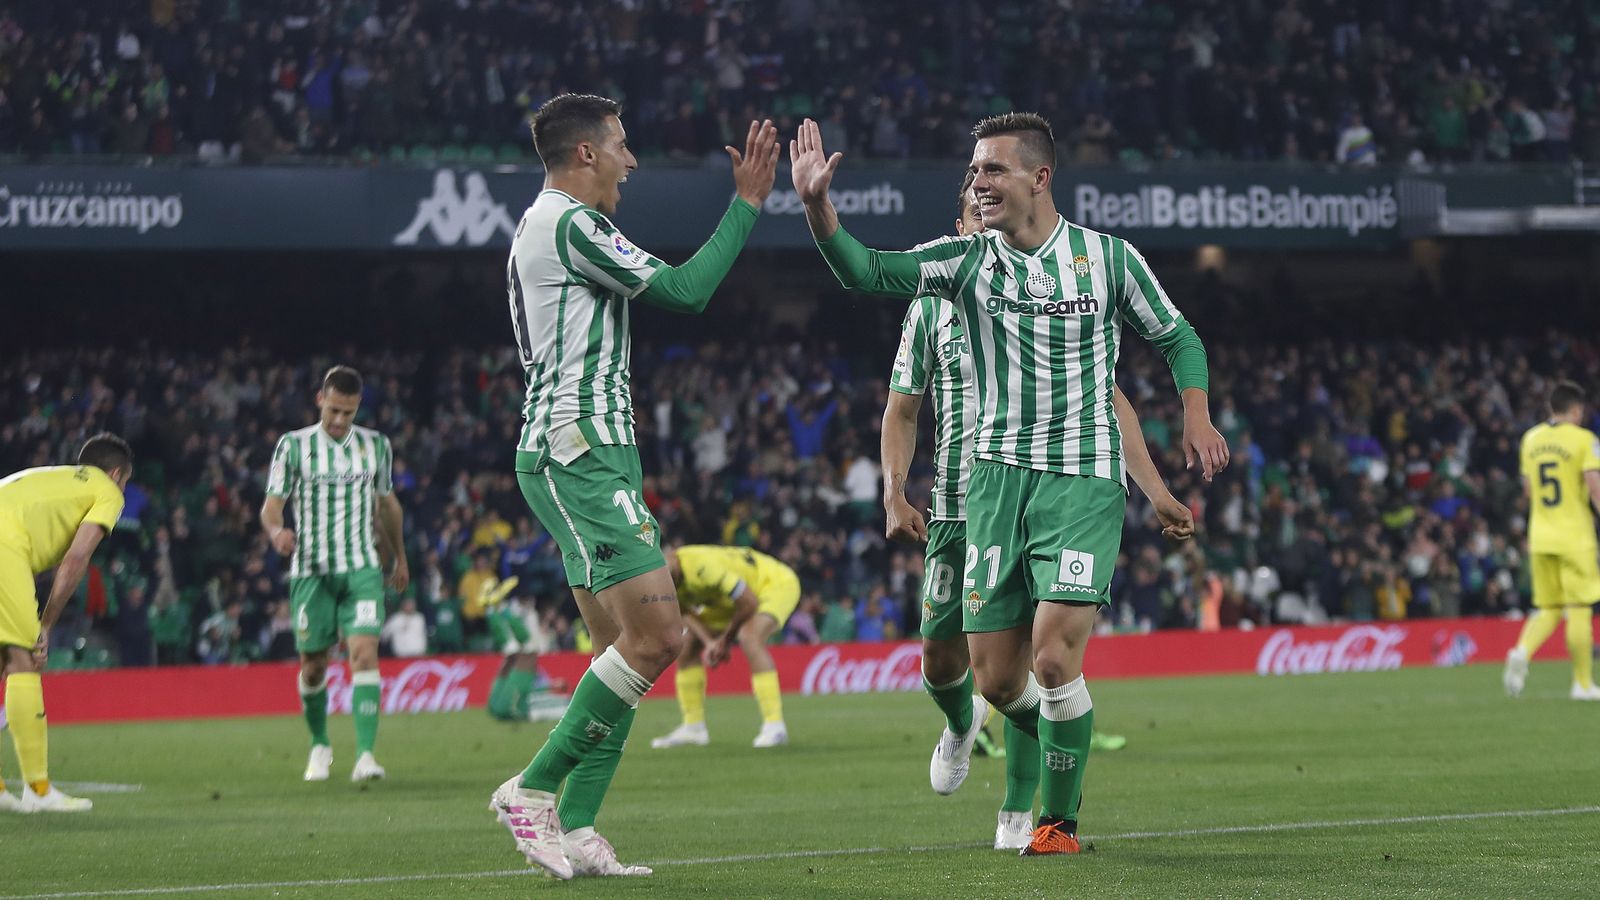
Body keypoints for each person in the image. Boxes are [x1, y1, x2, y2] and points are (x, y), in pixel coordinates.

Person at [791, 113, 1227, 856]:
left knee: (1052, 658)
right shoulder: (965, 262)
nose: (978, 182)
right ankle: (1026, 735)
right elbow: (865, 271)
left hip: (1081, 479)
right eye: (974, 172)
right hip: (990, 485)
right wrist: (816, 206)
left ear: (1039, 177)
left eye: (992, 169)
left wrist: (1195, 413)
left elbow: (1176, 336)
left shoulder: (1108, 259)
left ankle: (1054, 823)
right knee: (995, 680)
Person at [488, 93, 779, 880]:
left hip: (589, 453)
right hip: (578, 454)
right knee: (658, 638)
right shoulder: (570, 224)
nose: (632, 160)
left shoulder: (550, 224)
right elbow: (686, 292)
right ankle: (532, 789)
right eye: (621, 145)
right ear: (585, 153)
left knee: (616, 652)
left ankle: (580, 825)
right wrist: (748, 203)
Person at [883, 174, 1193, 850]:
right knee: (945, 660)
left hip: (1043, 493)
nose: (986, 226)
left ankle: (1023, 812)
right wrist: (893, 489)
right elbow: (902, 409)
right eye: (974, 216)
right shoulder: (933, 306)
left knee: (1034, 660)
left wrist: (1154, 488)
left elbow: (1108, 403)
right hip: (959, 506)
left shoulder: (1044, 302)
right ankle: (962, 722)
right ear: (959, 230)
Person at [261, 366, 408, 784]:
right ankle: (319, 744)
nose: (340, 420)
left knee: (364, 653)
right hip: (311, 572)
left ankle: (365, 756)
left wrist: (400, 558)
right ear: (320, 400)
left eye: (348, 412)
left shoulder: (376, 446)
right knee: (313, 666)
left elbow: (388, 505)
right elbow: (272, 506)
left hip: (362, 569)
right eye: (334, 410)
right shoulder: (293, 446)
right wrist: (276, 532)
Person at [0, 433, 132, 813]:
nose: (123, 489)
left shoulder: (53, 478)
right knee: (24, 659)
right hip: (5, 544)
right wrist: (46, 623)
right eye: (125, 481)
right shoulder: (107, 491)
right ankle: (38, 790)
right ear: (116, 473)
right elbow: (76, 559)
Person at [650, 544, 803, 750]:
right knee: (687, 645)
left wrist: (724, 641)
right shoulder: (661, 581)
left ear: (671, 554)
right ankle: (693, 728)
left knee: (750, 636)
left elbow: (748, 602)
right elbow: (683, 613)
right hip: (728, 602)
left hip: (773, 583)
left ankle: (775, 726)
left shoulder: (702, 566)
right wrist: (710, 643)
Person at [1504, 381, 1600, 700]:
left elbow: (1529, 491)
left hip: (1541, 536)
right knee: (1579, 608)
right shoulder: (1584, 440)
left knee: (1548, 608)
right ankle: (1582, 683)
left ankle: (1521, 651)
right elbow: (1594, 487)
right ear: (1576, 410)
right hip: (1575, 536)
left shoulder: (1531, 439)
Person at [484, 579, 569, 723]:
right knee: (524, 650)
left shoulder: (527, 612)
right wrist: (553, 686)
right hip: (523, 701)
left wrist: (551, 686)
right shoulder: (528, 613)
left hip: (521, 701)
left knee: (520, 651)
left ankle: (494, 609)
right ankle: (498, 608)